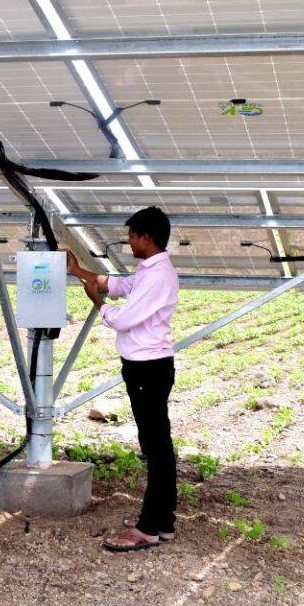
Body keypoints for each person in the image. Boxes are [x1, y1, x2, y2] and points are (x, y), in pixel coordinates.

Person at [65, 206, 179, 552]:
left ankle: (149, 528)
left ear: (146, 237)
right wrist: (78, 271)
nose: (128, 241)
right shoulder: (150, 271)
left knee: (156, 449)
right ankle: (162, 520)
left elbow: (123, 319)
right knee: (157, 445)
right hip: (148, 367)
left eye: (131, 235)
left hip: (148, 369)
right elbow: (121, 285)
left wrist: (97, 302)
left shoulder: (157, 276)